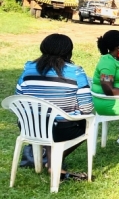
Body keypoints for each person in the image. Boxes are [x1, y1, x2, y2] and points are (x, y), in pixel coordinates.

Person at [15, 33, 93, 180]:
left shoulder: (28, 69)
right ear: (69, 51)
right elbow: (87, 108)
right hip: (60, 129)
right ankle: (54, 163)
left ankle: (51, 162)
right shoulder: (76, 72)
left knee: (49, 121)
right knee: (86, 125)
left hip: (29, 126)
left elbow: (18, 97)